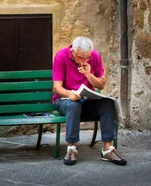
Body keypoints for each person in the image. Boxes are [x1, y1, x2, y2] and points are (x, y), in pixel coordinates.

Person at [52, 36, 127, 166]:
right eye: (81, 57)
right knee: (73, 104)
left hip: (86, 100)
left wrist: (89, 75)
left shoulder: (95, 56)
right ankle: (71, 148)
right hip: (65, 100)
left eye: (87, 57)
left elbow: (101, 85)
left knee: (107, 103)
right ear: (72, 52)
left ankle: (108, 149)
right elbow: (57, 88)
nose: (84, 60)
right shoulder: (61, 56)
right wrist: (70, 93)